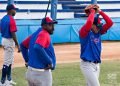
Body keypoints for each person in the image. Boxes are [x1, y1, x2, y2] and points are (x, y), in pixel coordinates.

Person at [79, 4, 113, 86]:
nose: (99, 28)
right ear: (92, 25)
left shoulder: (99, 32)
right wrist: (92, 11)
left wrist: (100, 11)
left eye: (99, 26)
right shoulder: (83, 33)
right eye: (97, 26)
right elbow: (90, 21)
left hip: (97, 65)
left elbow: (110, 23)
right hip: (87, 65)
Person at [20, 17, 57, 86]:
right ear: (44, 26)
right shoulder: (44, 34)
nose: (53, 28)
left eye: (53, 25)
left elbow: (23, 45)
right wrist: (49, 61)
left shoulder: (35, 34)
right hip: (41, 73)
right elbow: (38, 47)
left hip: (30, 72)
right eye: (50, 25)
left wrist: (27, 60)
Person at [0, 4, 20, 85]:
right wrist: (18, 45)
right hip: (9, 40)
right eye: (14, 9)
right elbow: (13, 33)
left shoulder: (3, 19)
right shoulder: (11, 19)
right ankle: (2, 81)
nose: (15, 11)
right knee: (7, 62)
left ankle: (9, 79)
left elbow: (1, 30)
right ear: (10, 10)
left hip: (4, 39)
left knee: (10, 61)